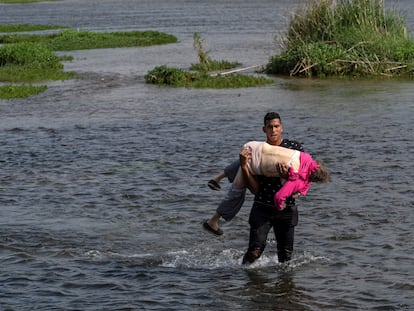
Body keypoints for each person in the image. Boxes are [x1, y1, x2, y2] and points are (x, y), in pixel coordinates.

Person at [203, 112, 303, 236]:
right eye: (270, 127)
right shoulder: (260, 147)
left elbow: (301, 173)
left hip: (286, 206)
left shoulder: (292, 147)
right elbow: (256, 190)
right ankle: (214, 217)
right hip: (263, 202)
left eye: (276, 127)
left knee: (250, 158)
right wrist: (244, 166)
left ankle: (218, 182)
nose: (273, 130)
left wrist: (286, 176)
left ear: (282, 127)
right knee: (245, 165)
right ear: (264, 129)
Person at [231, 141, 330, 211]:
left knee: (238, 166)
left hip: (254, 146)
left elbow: (306, 179)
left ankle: (220, 177)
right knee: (236, 192)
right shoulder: (297, 181)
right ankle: (217, 218)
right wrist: (280, 206)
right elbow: (279, 197)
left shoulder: (305, 157)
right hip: (268, 206)